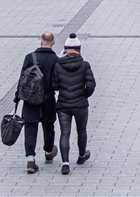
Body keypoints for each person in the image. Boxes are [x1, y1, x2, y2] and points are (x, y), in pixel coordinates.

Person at [15, 32, 59, 174]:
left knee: (30, 128)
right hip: (48, 98)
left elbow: (22, 79)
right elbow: (57, 83)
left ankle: (30, 159)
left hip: (30, 99)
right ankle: (48, 151)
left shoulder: (30, 58)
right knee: (48, 125)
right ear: (53, 42)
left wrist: (17, 97)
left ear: (41, 42)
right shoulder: (56, 60)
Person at [52, 34, 96, 174]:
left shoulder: (58, 65)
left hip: (63, 105)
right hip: (81, 105)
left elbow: (54, 85)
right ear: (78, 49)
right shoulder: (84, 65)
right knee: (81, 130)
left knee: (65, 132)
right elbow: (91, 85)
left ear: (65, 49)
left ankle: (65, 163)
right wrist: (84, 95)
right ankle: (82, 156)